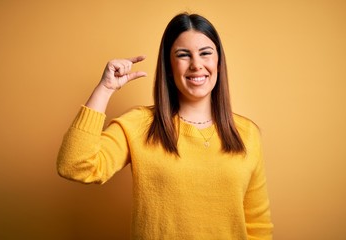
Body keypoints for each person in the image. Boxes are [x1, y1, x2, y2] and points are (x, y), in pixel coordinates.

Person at [57, 12, 273, 239]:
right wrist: (105, 88)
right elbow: (74, 165)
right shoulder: (140, 124)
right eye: (183, 55)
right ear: (169, 67)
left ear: (218, 62)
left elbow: (258, 226)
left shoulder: (247, 133)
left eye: (205, 53)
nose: (196, 65)